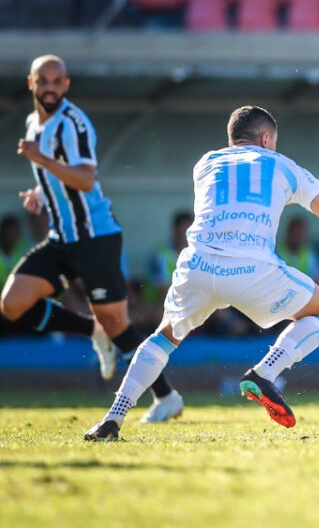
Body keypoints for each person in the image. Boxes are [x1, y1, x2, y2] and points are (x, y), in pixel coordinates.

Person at [84, 106, 319, 441]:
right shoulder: (284, 166)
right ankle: (265, 372)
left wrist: (291, 194)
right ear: (266, 138)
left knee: (162, 338)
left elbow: (238, 199)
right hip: (251, 270)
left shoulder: (205, 164)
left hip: (198, 267)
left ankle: (113, 418)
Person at [0, 55, 183, 422]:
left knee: (119, 324)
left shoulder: (73, 122)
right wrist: (40, 194)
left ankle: (167, 397)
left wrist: (41, 161)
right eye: (43, 80)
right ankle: (90, 329)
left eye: (56, 81)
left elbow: (84, 178)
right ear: (31, 83)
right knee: (12, 304)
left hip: (97, 237)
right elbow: (59, 179)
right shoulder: (33, 123)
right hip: (62, 238)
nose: (50, 87)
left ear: (66, 85)